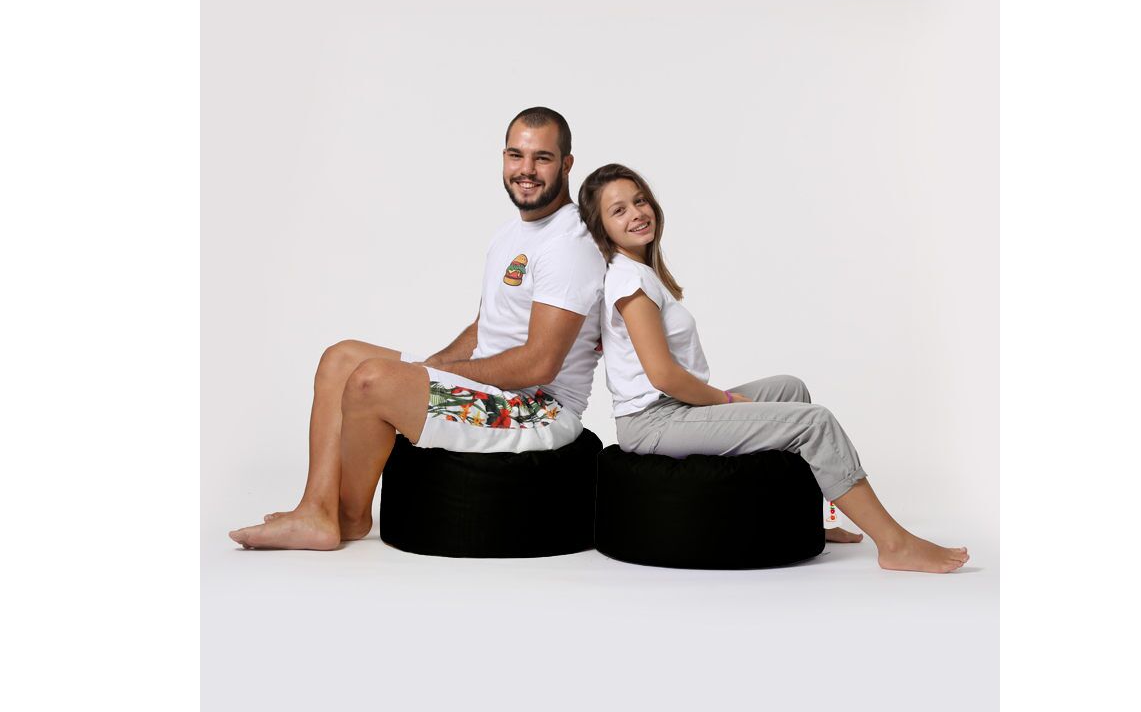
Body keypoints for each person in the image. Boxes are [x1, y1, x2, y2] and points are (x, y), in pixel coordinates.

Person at [229, 107, 606, 550]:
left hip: (539, 409)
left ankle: (348, 517)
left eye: (542, 158)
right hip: (497, 390)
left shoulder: (569, 244)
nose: (526, 169)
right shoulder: (510, 235)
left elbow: (539, 364)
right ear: (503, 157)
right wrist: (432, 365)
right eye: (515, 155)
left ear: (566, 164)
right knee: (341, 358)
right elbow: (484, 327)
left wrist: (434, 376)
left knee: (371, 381)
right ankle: (316, 510)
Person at [577, 163, 969, 573]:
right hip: (654, 421)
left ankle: (808, 520)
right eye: (619, 210)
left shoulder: (640, 273)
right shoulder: (629, 282)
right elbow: (664, 376)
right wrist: (726, 401)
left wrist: (723, 401)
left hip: (672, 408)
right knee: (815, 423)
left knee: (789, 388)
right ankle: (893, 543)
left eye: (640, 200)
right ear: (602, 229)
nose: (637, 213)